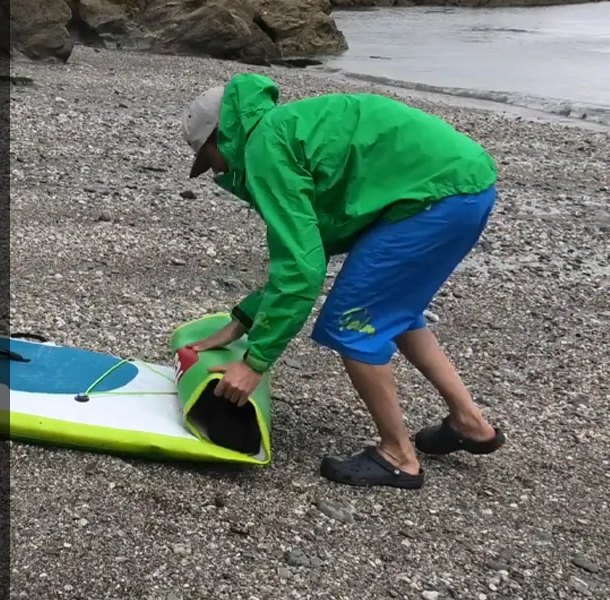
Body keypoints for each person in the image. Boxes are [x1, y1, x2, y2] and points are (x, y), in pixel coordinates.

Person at [179, 73, 506, 489]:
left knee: (352, 321)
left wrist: (254, 362)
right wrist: (244, 318)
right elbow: (316, 245)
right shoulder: (283, 127)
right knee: (394, 311)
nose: (216, 171)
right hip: (465, 186)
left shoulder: (264, 149)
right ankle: (470, 423)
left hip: (436, 199)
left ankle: (398, 457)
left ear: (220, 136)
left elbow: (302, 269)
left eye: (209, 159)